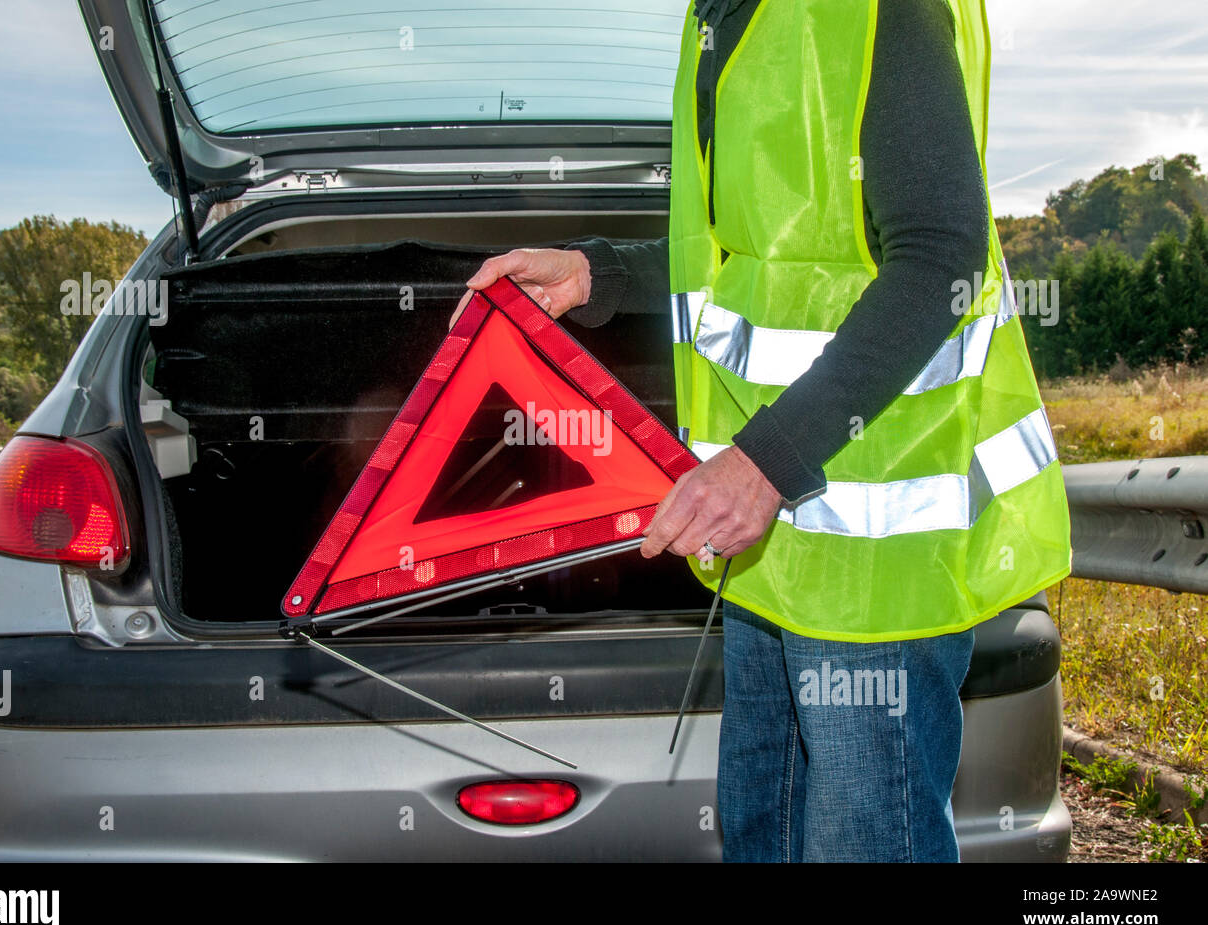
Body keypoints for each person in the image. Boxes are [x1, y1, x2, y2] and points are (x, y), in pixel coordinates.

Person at [450, 0, 1071, 862]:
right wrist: (602, 271)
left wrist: (763, 465)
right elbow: (754, 253)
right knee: (760, 833)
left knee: (861, 845)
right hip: (767, 553)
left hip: (873, 565)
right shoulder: (724, 16)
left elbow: (941, 259)